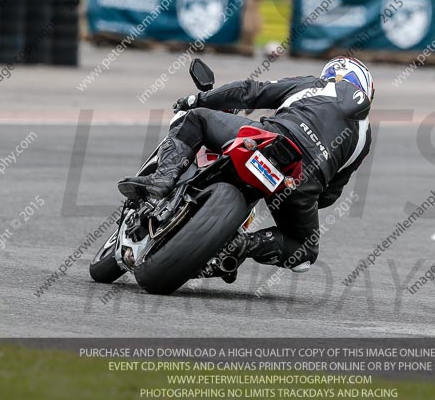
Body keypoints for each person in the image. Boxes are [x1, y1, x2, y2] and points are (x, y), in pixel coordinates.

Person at [119, 56, 373, 280]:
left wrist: (198, 99)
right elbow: (329, 195)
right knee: (305, 249)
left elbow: (251, 91)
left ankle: (163, 179)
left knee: (196, 118)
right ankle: (243, 244)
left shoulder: (316, 85)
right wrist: (297, 198)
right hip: (299, 182)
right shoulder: (364, 138)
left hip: (270, 139)